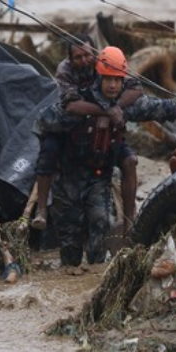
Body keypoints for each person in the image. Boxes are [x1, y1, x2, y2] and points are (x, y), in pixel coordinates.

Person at [47, 46, 176, 267]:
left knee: (100, 229)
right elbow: (49, 129)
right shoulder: (79, 99)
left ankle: (106, 257)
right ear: (98, 75)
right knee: (69, 249)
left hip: (98, 177)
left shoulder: (123, 104)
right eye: (108, 79)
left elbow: (165, 108)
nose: (112, 85)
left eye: (118, 80)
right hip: (68, 179)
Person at [31, 35, 141, 230]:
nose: (83, 61)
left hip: (100, 126)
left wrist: (115, 107)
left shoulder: (106, 61)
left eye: (87, 55)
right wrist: (107, 110)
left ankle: (130, 220)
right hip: (68, 125)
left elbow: (136, 88)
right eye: (78, 57)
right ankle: (41, 210)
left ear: (95, 53)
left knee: (129, 160)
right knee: (48, 152)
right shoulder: (64, 70)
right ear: (70, 59)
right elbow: (72, 106)